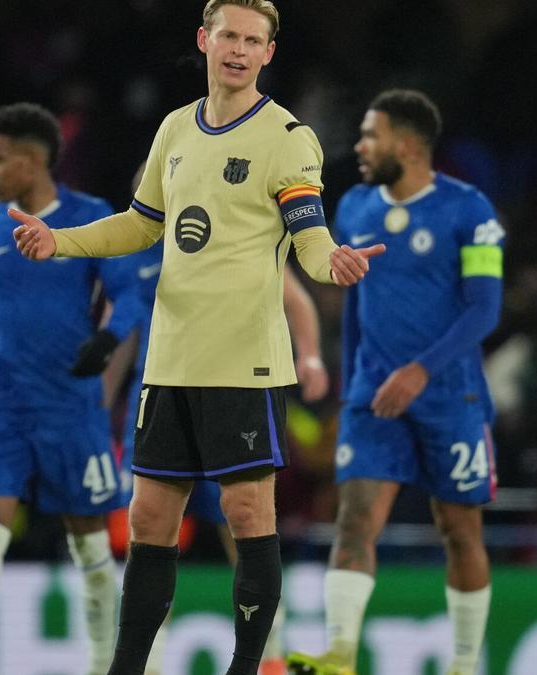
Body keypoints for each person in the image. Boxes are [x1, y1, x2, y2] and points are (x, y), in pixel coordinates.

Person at [12, 2, 383, 673]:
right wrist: (59, 241)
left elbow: (309, 233)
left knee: (247, 515)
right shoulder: (175, 128)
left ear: (269, 53)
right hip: (170, 362)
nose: (239, 50)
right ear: (204, 41)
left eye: (253, 40)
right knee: (150, 519)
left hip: (243, 364)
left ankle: (246, 669)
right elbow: (138, 224)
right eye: (229, 36)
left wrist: (335, 261)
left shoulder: (287, 137)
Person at [286, 89, 503, 675]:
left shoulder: (470, 210)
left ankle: (462, 665)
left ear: (407, 144)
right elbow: (356, 303)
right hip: (372, 395)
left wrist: (421, 369)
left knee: (458, 530)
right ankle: (339, 654)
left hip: (450, 396)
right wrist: (351, 382)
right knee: (355, 519)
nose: (358, 147)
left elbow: (484, 310)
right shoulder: (354, 207)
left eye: (369, 135)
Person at [0, 102, 141, 675]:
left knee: (90, 542)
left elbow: (132, 291)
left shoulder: (91, 217)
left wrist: (109, 337)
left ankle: (101, 664)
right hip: (4, 404)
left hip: (71, 405)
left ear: (31, 160)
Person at [106, 162, 330, 675]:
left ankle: (269, 659)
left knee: (244, 528)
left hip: (228, 397)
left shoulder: (229, 231)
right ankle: (147, 663)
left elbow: (294, 298)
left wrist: (310, 355)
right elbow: (121, 332)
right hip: (161, 402)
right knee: (151, 538)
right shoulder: (135, 248)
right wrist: (99, 401)